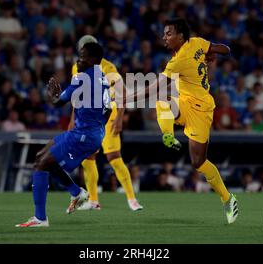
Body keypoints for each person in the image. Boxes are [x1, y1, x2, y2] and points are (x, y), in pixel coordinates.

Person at [125, 18, 238, 224]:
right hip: (186, 103)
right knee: (163, 100)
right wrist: (212, 52)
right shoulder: (197, 42)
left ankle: (228, 198)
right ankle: (168, 136)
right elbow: (226, 49)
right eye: (164, 33)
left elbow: (154, 87)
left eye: (168, 33)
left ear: (180, 36)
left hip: (201, 110)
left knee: (198, 162)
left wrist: (126, 99)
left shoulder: (179, 60)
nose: (164, 37)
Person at [16, 42, 111, 228]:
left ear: (92, 60)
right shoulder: (102, 78)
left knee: (42, 165)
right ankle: (76, 192)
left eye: (82, 56)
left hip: (83, 134)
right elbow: (107, 111)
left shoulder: (82, 77)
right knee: (40, 158)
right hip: (89, 132)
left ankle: (40, 218)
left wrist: (52, 95)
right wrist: (96, 129)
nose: (78, 59)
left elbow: (58, 102)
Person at [71, 35, 143, 211]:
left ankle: (132, 199)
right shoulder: (77, 68)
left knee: (115, 158)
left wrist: (119, 119)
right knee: (88, 159)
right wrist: (73, 120)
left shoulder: (108, 67)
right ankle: (94, 200)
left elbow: (122, 94)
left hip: (108, 116)